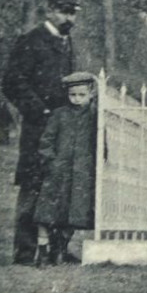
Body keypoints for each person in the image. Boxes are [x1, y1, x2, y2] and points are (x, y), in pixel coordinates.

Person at [2, 0, 79, 266]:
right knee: (33, 188)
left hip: (63, 129)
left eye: (73, 13)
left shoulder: (67, 43)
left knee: (61, 187)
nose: (69, 19)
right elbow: (12, 82)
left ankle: (58, 248)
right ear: (49, 10)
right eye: (64, 12)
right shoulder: (30, 41)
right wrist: (40, 110)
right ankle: (25, 251)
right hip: (38, 128)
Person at [33, 72, 98, 267]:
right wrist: (50, 161)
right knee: (47, 212)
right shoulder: (59, 114)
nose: (77, 99)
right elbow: (46, 141)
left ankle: (60, 249)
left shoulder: (95, 117)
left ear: (91, 94)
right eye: (73, 95)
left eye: (81, 95)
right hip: (58, 172)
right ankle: (43, 252)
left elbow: (99, 143)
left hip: (81, 173)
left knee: (74, 213)